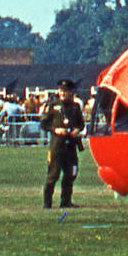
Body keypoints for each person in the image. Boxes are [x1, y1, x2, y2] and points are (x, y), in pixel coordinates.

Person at [40, 79, 86, 209]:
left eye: (65, 91)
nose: (62, 93)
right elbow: (44, 123)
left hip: (70, 146)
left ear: (71, 92)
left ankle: (65, 201)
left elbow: (81, 124)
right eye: (61, 90)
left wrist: (76, 130)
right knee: (53, 175)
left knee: (70, 174)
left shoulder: (75, 107)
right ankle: (47, 203)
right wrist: (55, 130)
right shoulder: (53, 106)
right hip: (57, 146)